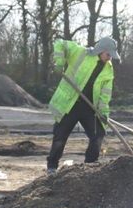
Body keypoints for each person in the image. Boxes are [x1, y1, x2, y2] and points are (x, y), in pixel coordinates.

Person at [45, 37, 119, 174]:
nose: (110, 58)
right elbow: (60, 43)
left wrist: (103, 112)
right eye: (108, 54)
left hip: (90, 108)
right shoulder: (81, 52)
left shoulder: (108, 69)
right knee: (60, 136)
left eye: (111, 56)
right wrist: (60, 62)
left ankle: (89, 168)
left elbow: (105, 94)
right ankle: (52, 166)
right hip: (70, 104)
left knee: (98, 134)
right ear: (101, 50)